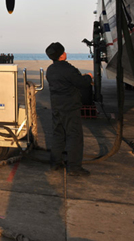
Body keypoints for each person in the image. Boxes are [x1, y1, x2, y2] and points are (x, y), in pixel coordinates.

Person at [45, 42, 93, 177]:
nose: (65, 53)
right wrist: (89, 76)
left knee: (58, 135)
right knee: (74, 136)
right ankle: (74, 167)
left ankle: (55, 163)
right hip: (70, 108)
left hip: (57, 107)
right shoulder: (68, 69)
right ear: (61, 55)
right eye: (63, 51)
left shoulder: (50, 70)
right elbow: (81, 83)